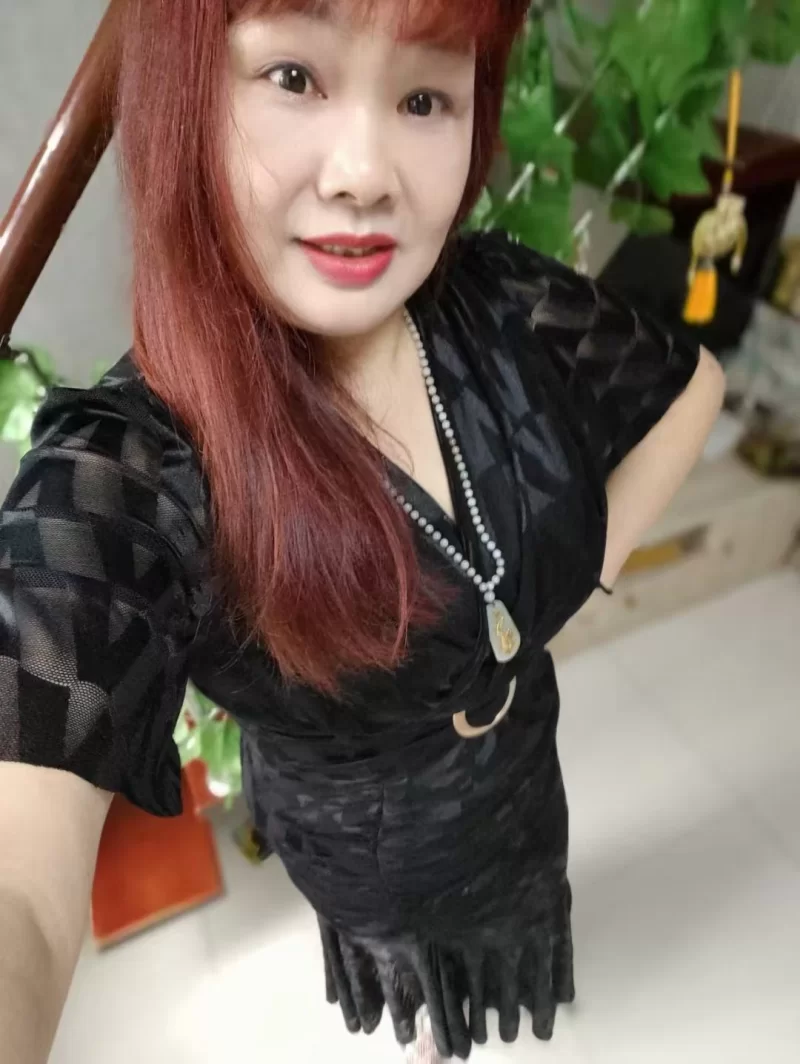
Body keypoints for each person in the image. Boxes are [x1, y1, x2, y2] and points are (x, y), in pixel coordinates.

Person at [0, 0, 725, 1061]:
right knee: (418, 995)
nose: (364, 173)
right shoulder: (138, 465)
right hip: (365, 853)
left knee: (507, 936)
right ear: (183, 95)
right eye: (294, 78)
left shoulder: (499, 301)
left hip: (517, 791)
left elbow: (691, 389)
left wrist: (570, 579)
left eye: (425, 97)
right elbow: (19, 880)